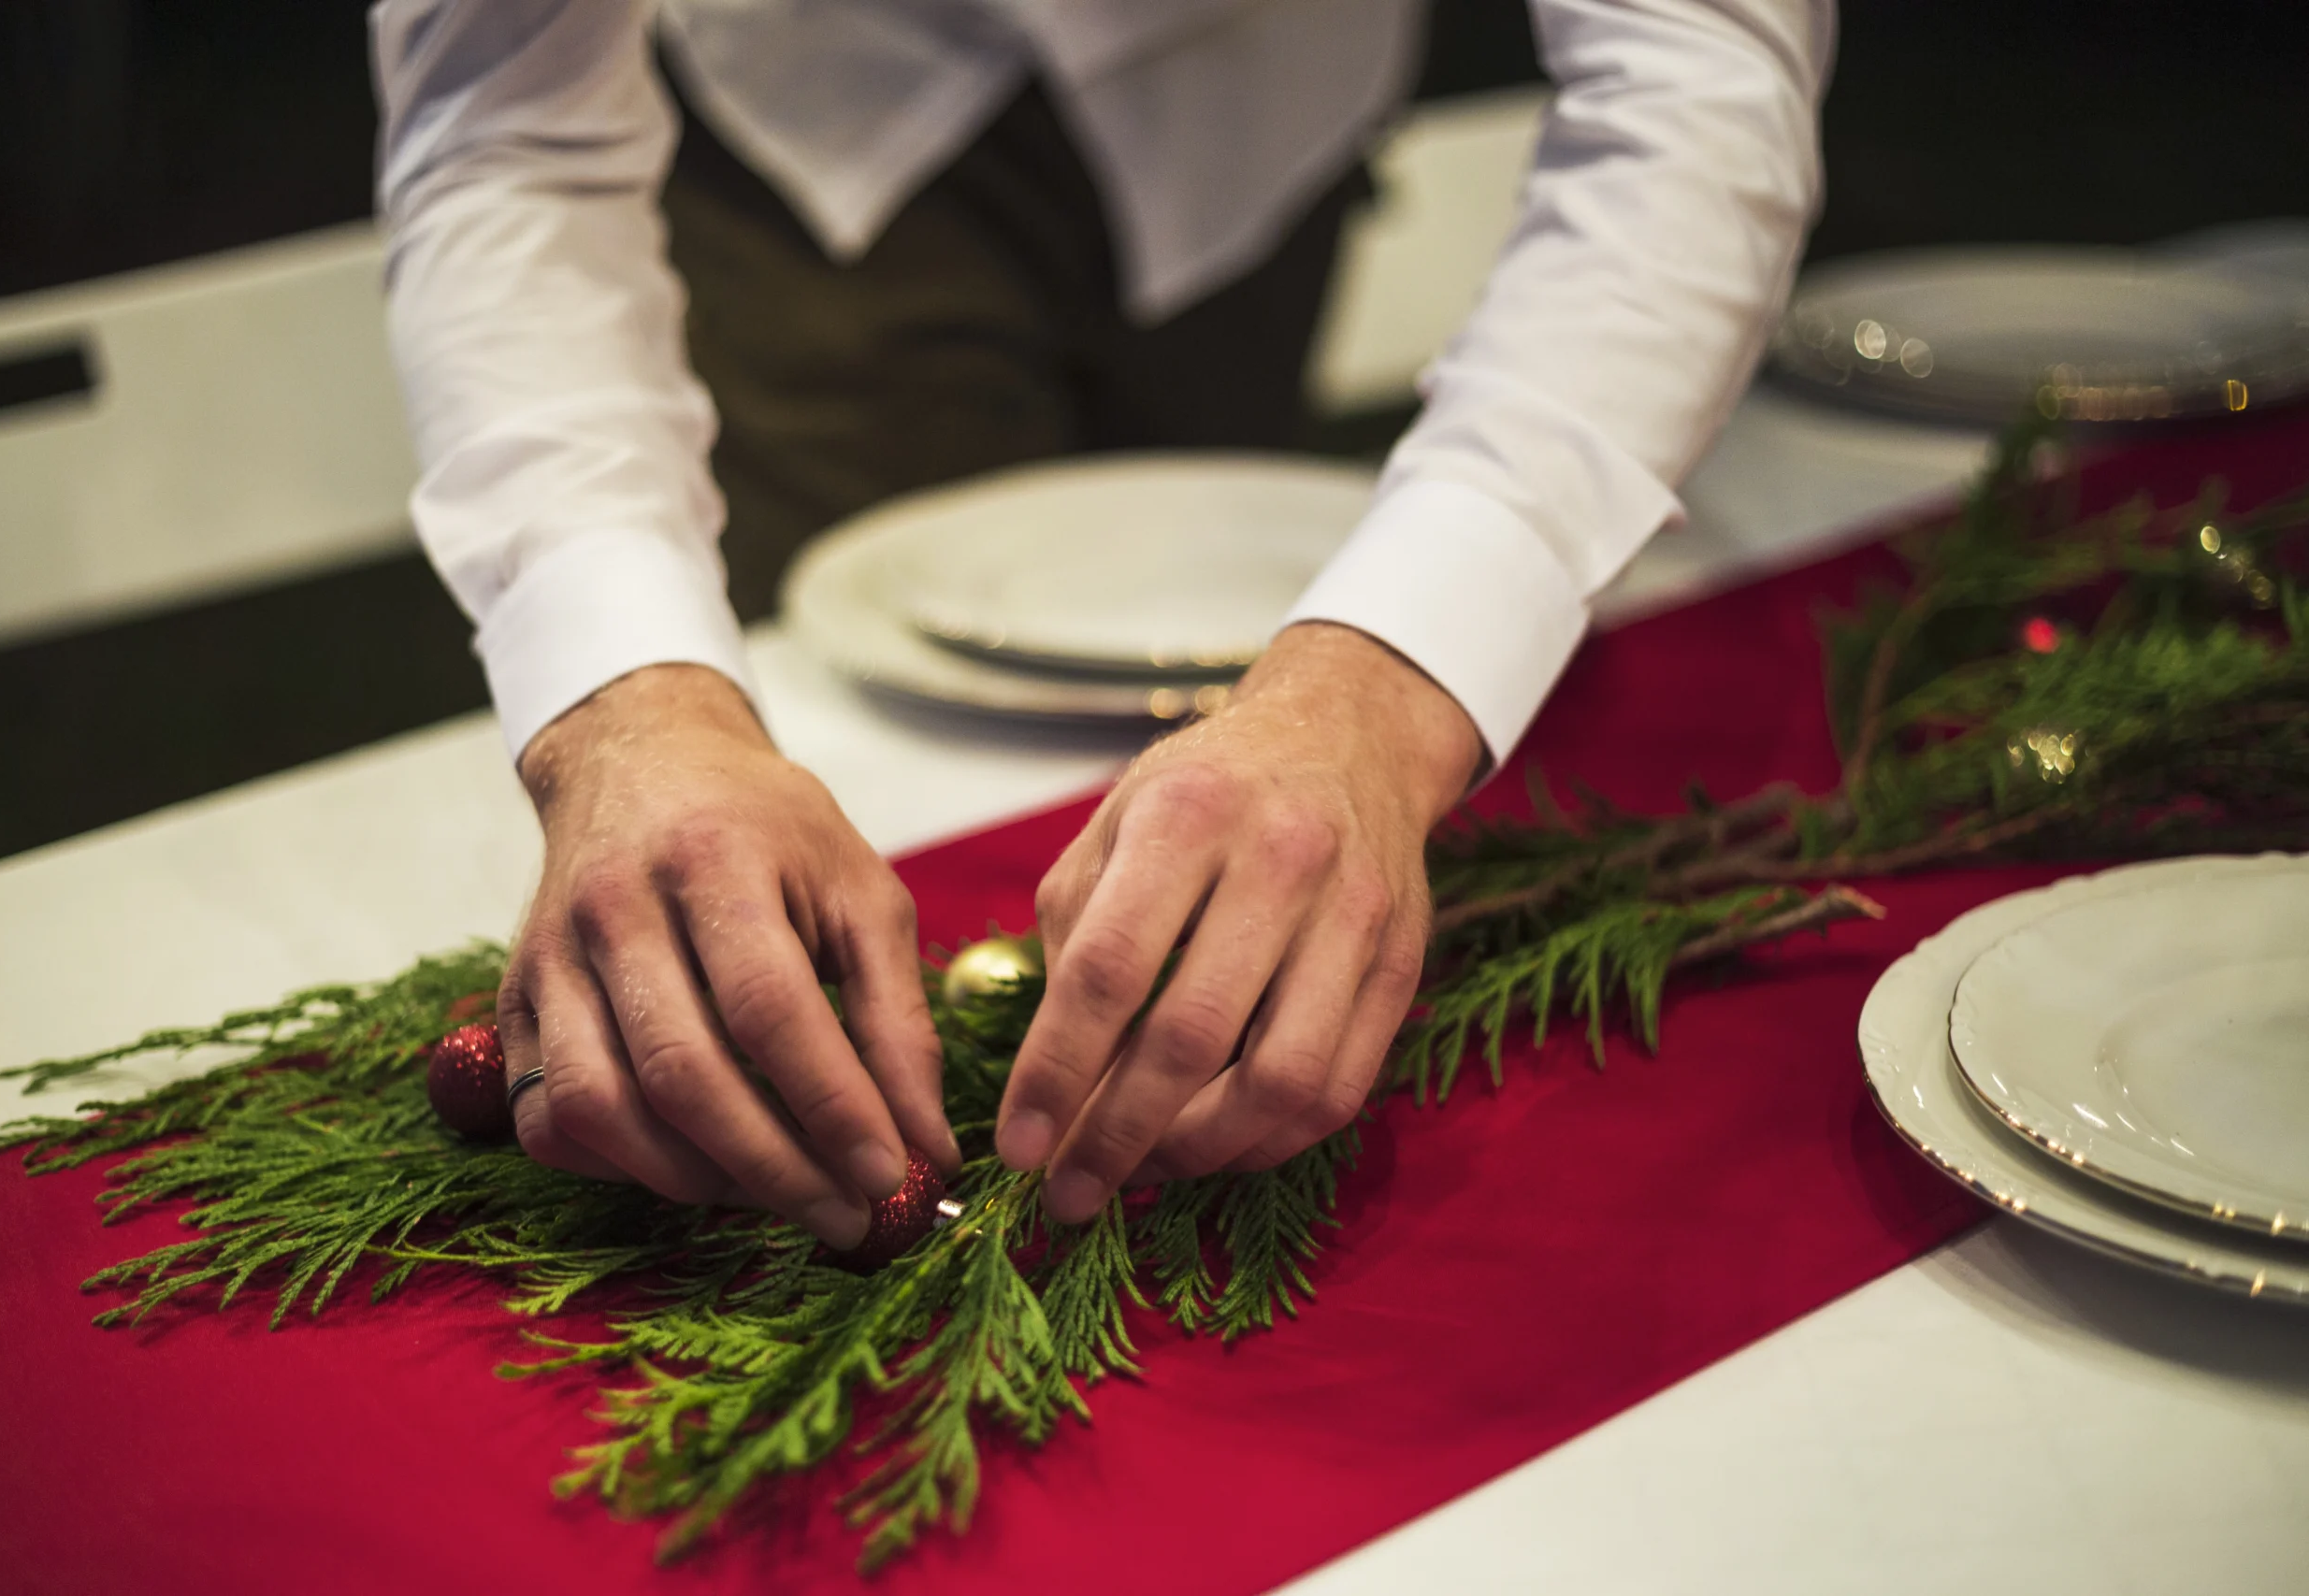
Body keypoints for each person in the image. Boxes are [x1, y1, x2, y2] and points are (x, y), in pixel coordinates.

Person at [371, 0, 1833, 1251]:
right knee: (872, 730)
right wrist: (629, 708)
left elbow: (1698, 72)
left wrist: (1385, 693)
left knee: (1240, 706)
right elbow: (505, 125)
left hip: (1264, 100)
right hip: (821, 103)